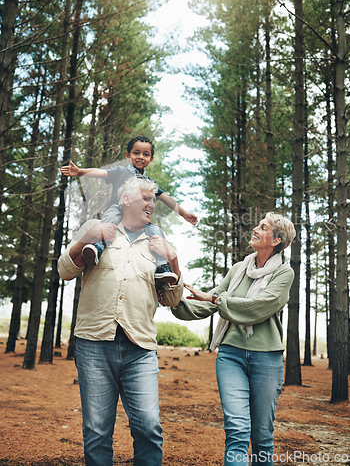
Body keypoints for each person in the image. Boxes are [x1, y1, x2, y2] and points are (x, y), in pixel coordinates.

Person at [58, 177, 183, 466]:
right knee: (97, 431)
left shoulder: (159, 244)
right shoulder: (96, 230)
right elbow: (64, 270)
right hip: (94, 346)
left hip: (140, 349)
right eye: (146, 198)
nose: (152, 204)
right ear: (127, 200)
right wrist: (89, 237)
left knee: (149, 427)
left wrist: (173, 260)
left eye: (154, 200)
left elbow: (174, 300)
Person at [172, 212, 296, 466]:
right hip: (230, 356)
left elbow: (258, 307)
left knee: (262, 436)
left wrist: (216, 299)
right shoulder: (238, 269)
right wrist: (175, 302)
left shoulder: (284, 273)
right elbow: (210, 304)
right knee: (237, 430)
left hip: (267, 358)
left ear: (276, 240)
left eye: (263, 227)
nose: (255, 228)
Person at [61, 135, 198, 284]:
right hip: (118, 209)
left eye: (146, 154)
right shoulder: (121, 172)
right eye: (136, 153)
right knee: (110, 219)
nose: (140, 157)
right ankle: (98, 247)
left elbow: (167, 199)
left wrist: (184, 213)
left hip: (138, 217)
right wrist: (80, 171)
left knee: (157, 232)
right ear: (128, 155)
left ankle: (162, 267)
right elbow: (100, 173)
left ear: (151, 159)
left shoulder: (150, 182)